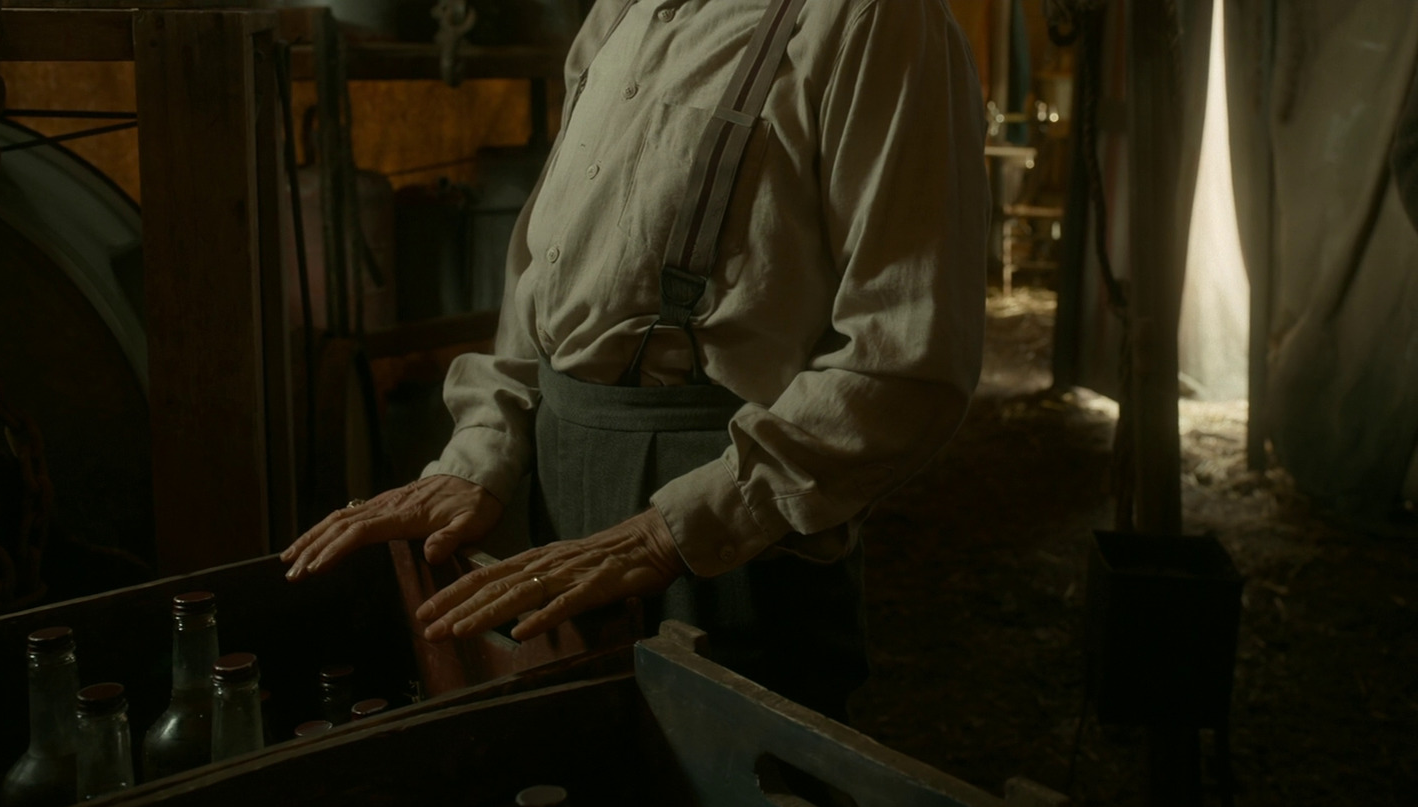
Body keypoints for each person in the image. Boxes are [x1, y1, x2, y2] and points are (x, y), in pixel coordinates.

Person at [283, 0, 988, 720]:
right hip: (560, 512)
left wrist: (671, 530)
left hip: (732, 551)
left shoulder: (871, 22)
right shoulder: (620, 15)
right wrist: (479, 453)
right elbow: (546, 282)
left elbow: (907, 361)